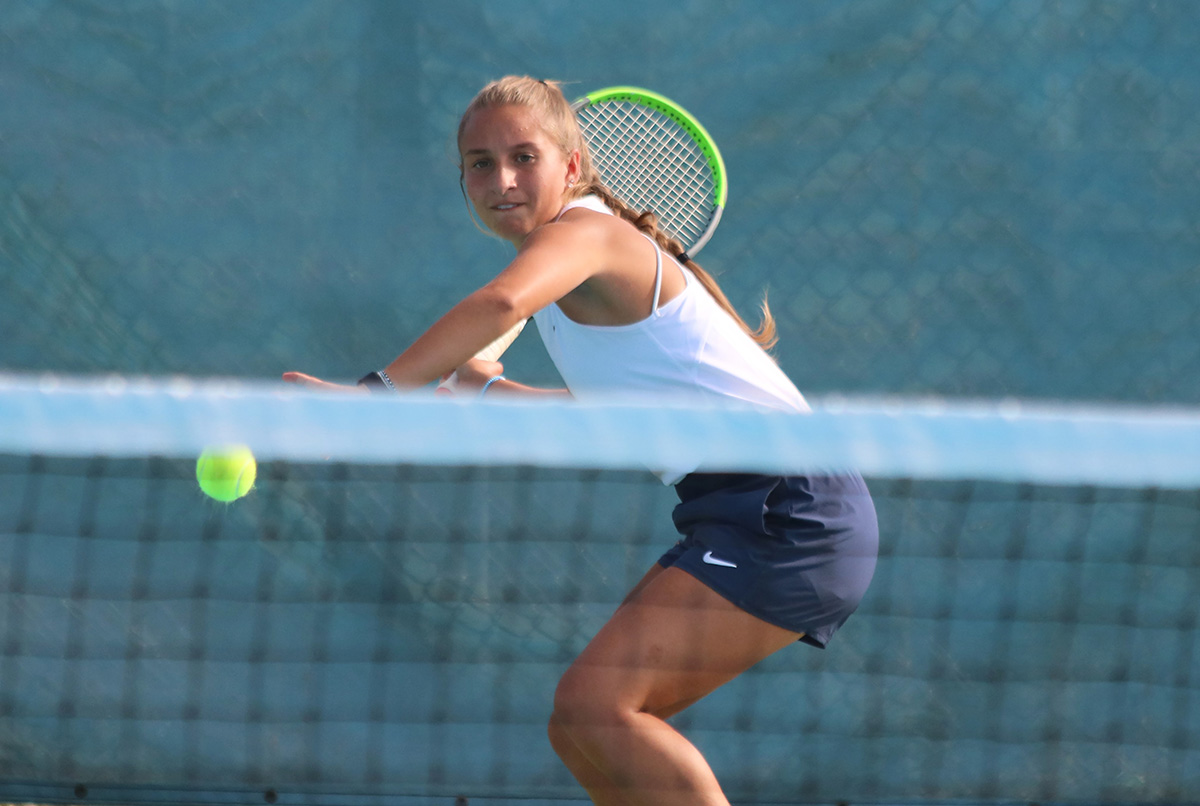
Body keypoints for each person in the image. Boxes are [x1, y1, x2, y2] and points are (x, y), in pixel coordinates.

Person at [284, 75, 878, 806]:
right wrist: (487, 393)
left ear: (571, 168)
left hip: (790, 509)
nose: (500, 178)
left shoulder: (586, 234)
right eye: (479, 163)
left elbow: (500, 302)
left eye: (522, 156)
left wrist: (374, 397)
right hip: (750, 509)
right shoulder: (567, 283)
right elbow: (609, 412)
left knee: (602, 708)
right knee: (580, 722)